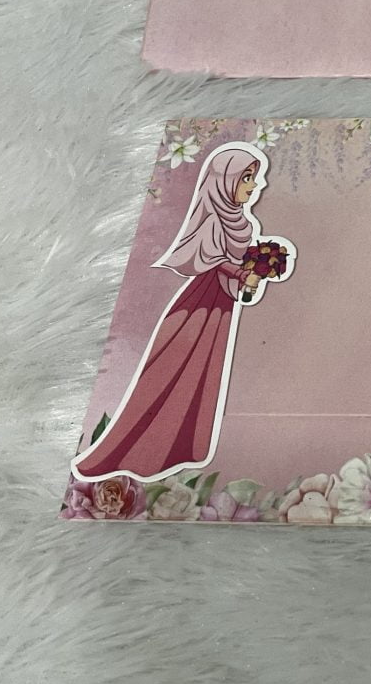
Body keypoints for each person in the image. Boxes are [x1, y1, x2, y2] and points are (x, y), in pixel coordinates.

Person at [71, 143, 276, 483]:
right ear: (224, 181)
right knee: (173, 371)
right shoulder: (213, 219)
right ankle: (145, 450)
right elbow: (215, 262)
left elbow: (238, 271)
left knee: (205, 373)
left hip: (222, 306)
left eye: (253, 177)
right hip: (200, 306)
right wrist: (245, 275)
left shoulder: (243, 224)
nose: (257, 185)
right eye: (247, 178)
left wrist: (254, 275)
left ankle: (185, 446)